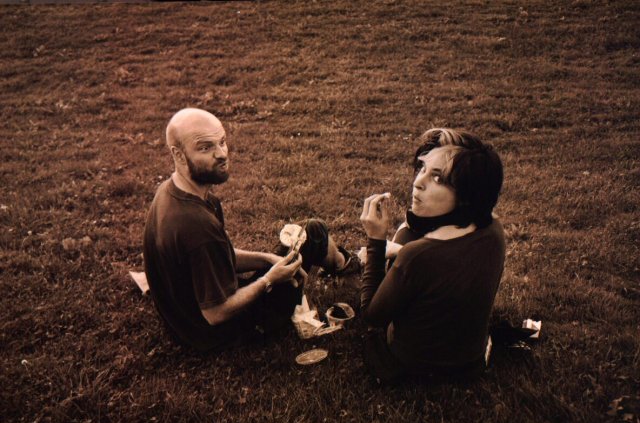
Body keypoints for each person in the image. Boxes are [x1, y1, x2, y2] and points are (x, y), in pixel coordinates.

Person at [143, 108, 357, 353]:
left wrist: (267, 259)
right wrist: (269, 279)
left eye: (222, 141)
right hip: (219, 333)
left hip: (185, 323)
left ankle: (342, 265)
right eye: (205, 147)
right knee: (313, 232)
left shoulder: (170, 191)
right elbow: (216, 313)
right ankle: (347, 267)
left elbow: (218, 256)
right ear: (178, 155)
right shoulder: (197, 226)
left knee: (295, 244)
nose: (221, 153)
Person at [358, 129, 505, 384]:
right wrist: (400, 250)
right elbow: (448, 263)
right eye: (423, 168)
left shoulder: (417, 256)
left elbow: (372, 316)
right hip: (472, 359)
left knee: (405, 235)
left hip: (417, 365)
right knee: (407, 235)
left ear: (466, 196)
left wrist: (376, 240)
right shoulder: (493, 228)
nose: (418, 182)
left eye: (438, 178)